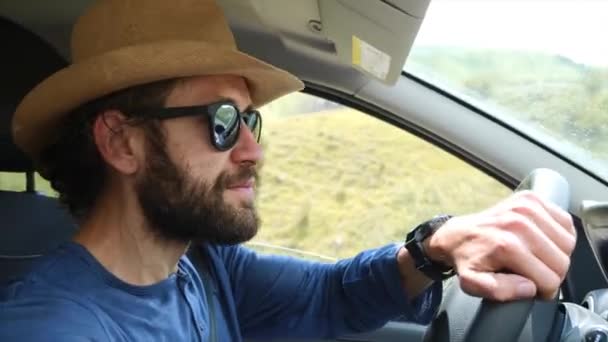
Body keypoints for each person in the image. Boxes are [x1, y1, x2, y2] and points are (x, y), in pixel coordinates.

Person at [0, 0, 575, 341]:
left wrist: (436, 245)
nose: (252, 149)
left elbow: (331, 297)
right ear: (122, 143)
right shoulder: (54, 328)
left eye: (252, 119)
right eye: (222, 120)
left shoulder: (200, 265)